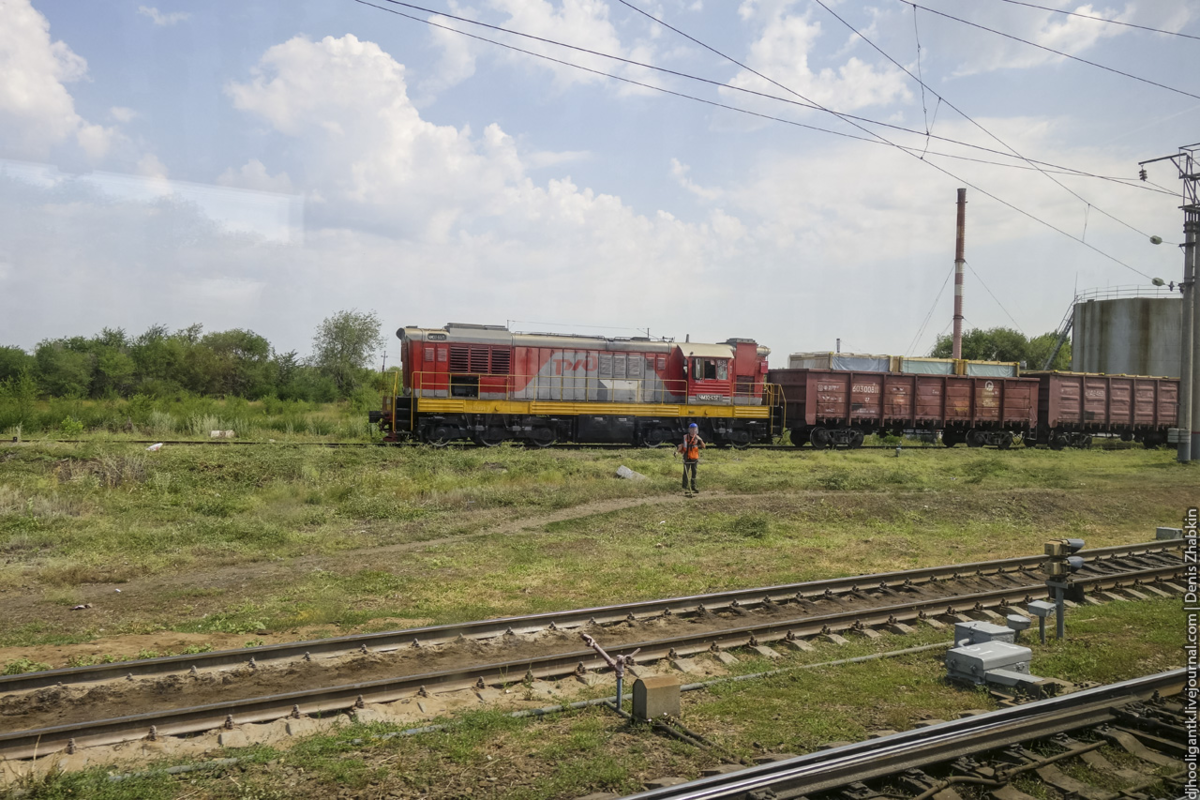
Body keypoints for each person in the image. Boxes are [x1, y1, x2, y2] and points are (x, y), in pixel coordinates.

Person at [677, 422, 705, 493]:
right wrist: (677, 452)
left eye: (694, 429)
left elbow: (703, 447)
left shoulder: (698, 438)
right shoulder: (685, 437)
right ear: (689, 430)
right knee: (686, 472)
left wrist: (700, 440)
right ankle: (684, 486)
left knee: (694, 472)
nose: (693, 430)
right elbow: (681, 445)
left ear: (696, 429)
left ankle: (693, 486)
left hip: (695, 458)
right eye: (692, 429)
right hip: (687, 457)